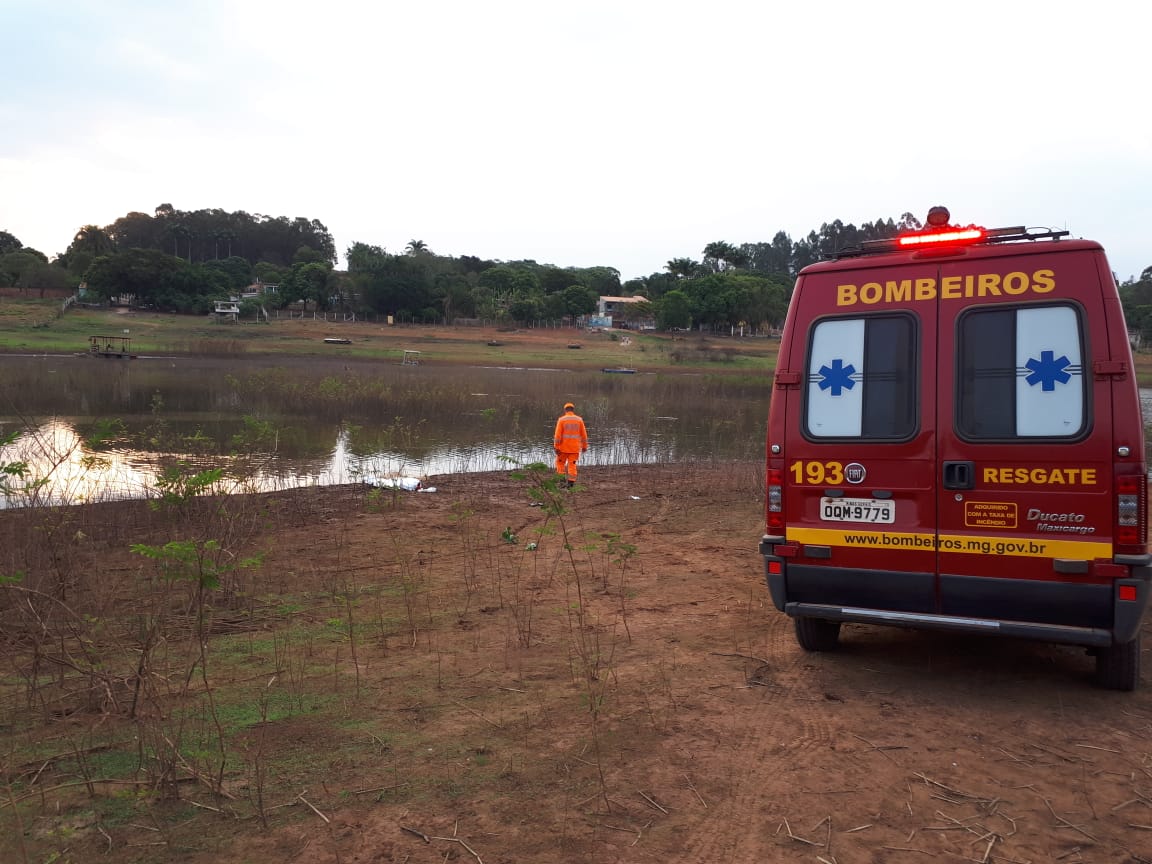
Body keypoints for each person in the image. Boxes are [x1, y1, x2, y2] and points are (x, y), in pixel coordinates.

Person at [553, 401, 588, 488]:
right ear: (573, 410)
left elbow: (557, 435)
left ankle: (562, 482)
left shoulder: (561, 420)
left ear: (565, 410)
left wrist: (556, 447)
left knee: (560, 464)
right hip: (575, 448)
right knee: (572, 465)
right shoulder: (579, 420)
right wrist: (584, 446)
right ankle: (571, 484)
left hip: (563, 448)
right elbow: (584, 435)